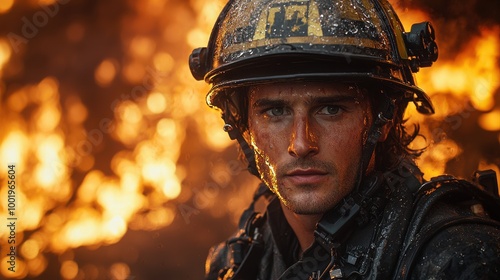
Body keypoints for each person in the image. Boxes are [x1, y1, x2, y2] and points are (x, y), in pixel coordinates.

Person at [188, 0, 500, 279]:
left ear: (385, 117)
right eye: (275, 111)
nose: (300, 144)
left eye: (331, 109)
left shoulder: (459, 259)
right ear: (243, 126)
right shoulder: (239, 263)